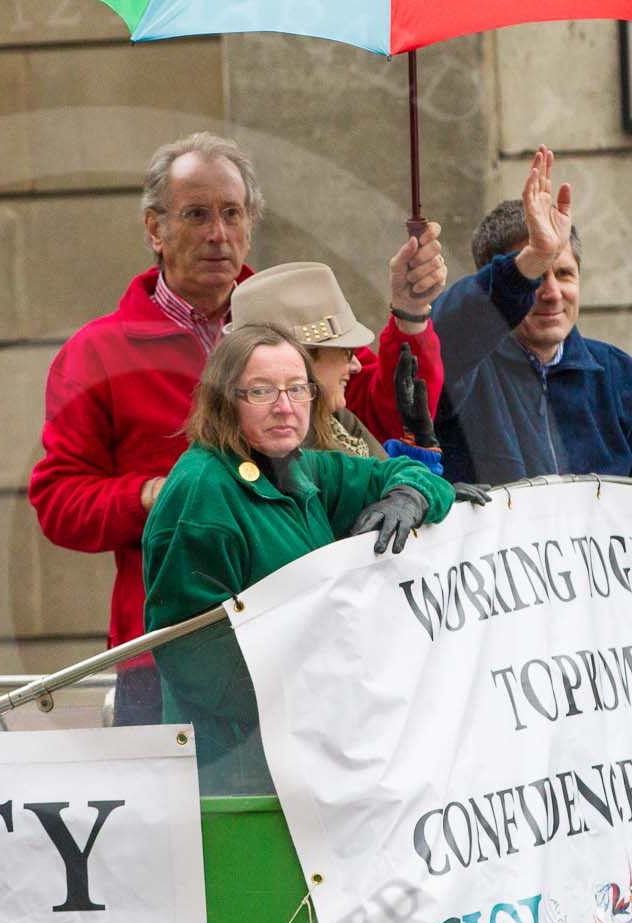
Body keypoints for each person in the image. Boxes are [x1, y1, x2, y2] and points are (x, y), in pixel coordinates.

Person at [29, 131, 449, 725]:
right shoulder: (96, 353)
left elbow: (387, 408)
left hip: (312, 645)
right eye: (196, 215)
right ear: (155, 229)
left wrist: (410, 315)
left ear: (252, 222)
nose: (218, 233)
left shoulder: (289, 313)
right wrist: (158, 494)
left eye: (233, 214)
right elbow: (57, 501)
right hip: (169, 653)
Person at [142, 324, 458, 794]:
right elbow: (198, 661)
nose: (285, 407)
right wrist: (326, 698)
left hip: (308, 760)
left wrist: (411, 495)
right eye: (262, 391)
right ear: (225, 399)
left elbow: (405, 472)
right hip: (236, 776)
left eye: (297, 389)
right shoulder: (202, 495)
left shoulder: (299, 467)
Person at [426, 147, 632, 495]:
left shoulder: (617, 376)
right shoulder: (464, 372)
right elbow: (442, 337)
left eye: (565, 274)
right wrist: (531, 258)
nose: (552, 293)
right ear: (503, 281)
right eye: (536, 275)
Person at [228, 260, 480, 483]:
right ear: (300, 360)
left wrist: (422, 466)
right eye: (346, 352)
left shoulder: (339, 421)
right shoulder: (278, 448)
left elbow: (384, 482)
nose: (356, 365)